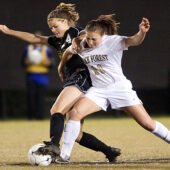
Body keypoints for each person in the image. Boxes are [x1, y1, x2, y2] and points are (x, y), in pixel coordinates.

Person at [0, 3, 121, 162]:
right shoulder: (56, 41)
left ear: (65, 22)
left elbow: (88, 33)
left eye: (55, 26)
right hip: (72, 78)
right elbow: (34, 37)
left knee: (56, 109)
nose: (53, 30)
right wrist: (9, 31)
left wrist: (79, 37)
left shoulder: (74, 32)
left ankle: (54, 146)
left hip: (82, 75)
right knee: (75, 132)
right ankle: (109, 151)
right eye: (50, 28)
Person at [58, 15, 170, 162]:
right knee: (74, 114)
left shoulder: (113, 42)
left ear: (103, 35)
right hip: (98, 90)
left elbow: (134, 40)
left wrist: (142, 32)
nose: (90, 42)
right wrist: (61, 68)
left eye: (94, 39)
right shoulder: (81, 44)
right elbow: (67, 52)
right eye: (88, 38)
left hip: (119, 88)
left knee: (148, 124)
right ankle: (64, 156)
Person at [21, 31, 53, 119]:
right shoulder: (28, 48)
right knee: (31, 97)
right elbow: (23, 62)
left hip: (42, 76)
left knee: (40, 97)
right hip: (31, 76)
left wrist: (46, 62)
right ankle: (31, 117)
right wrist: (28, 61)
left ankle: (40, 117)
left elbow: (51, 63)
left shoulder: (46, 49)